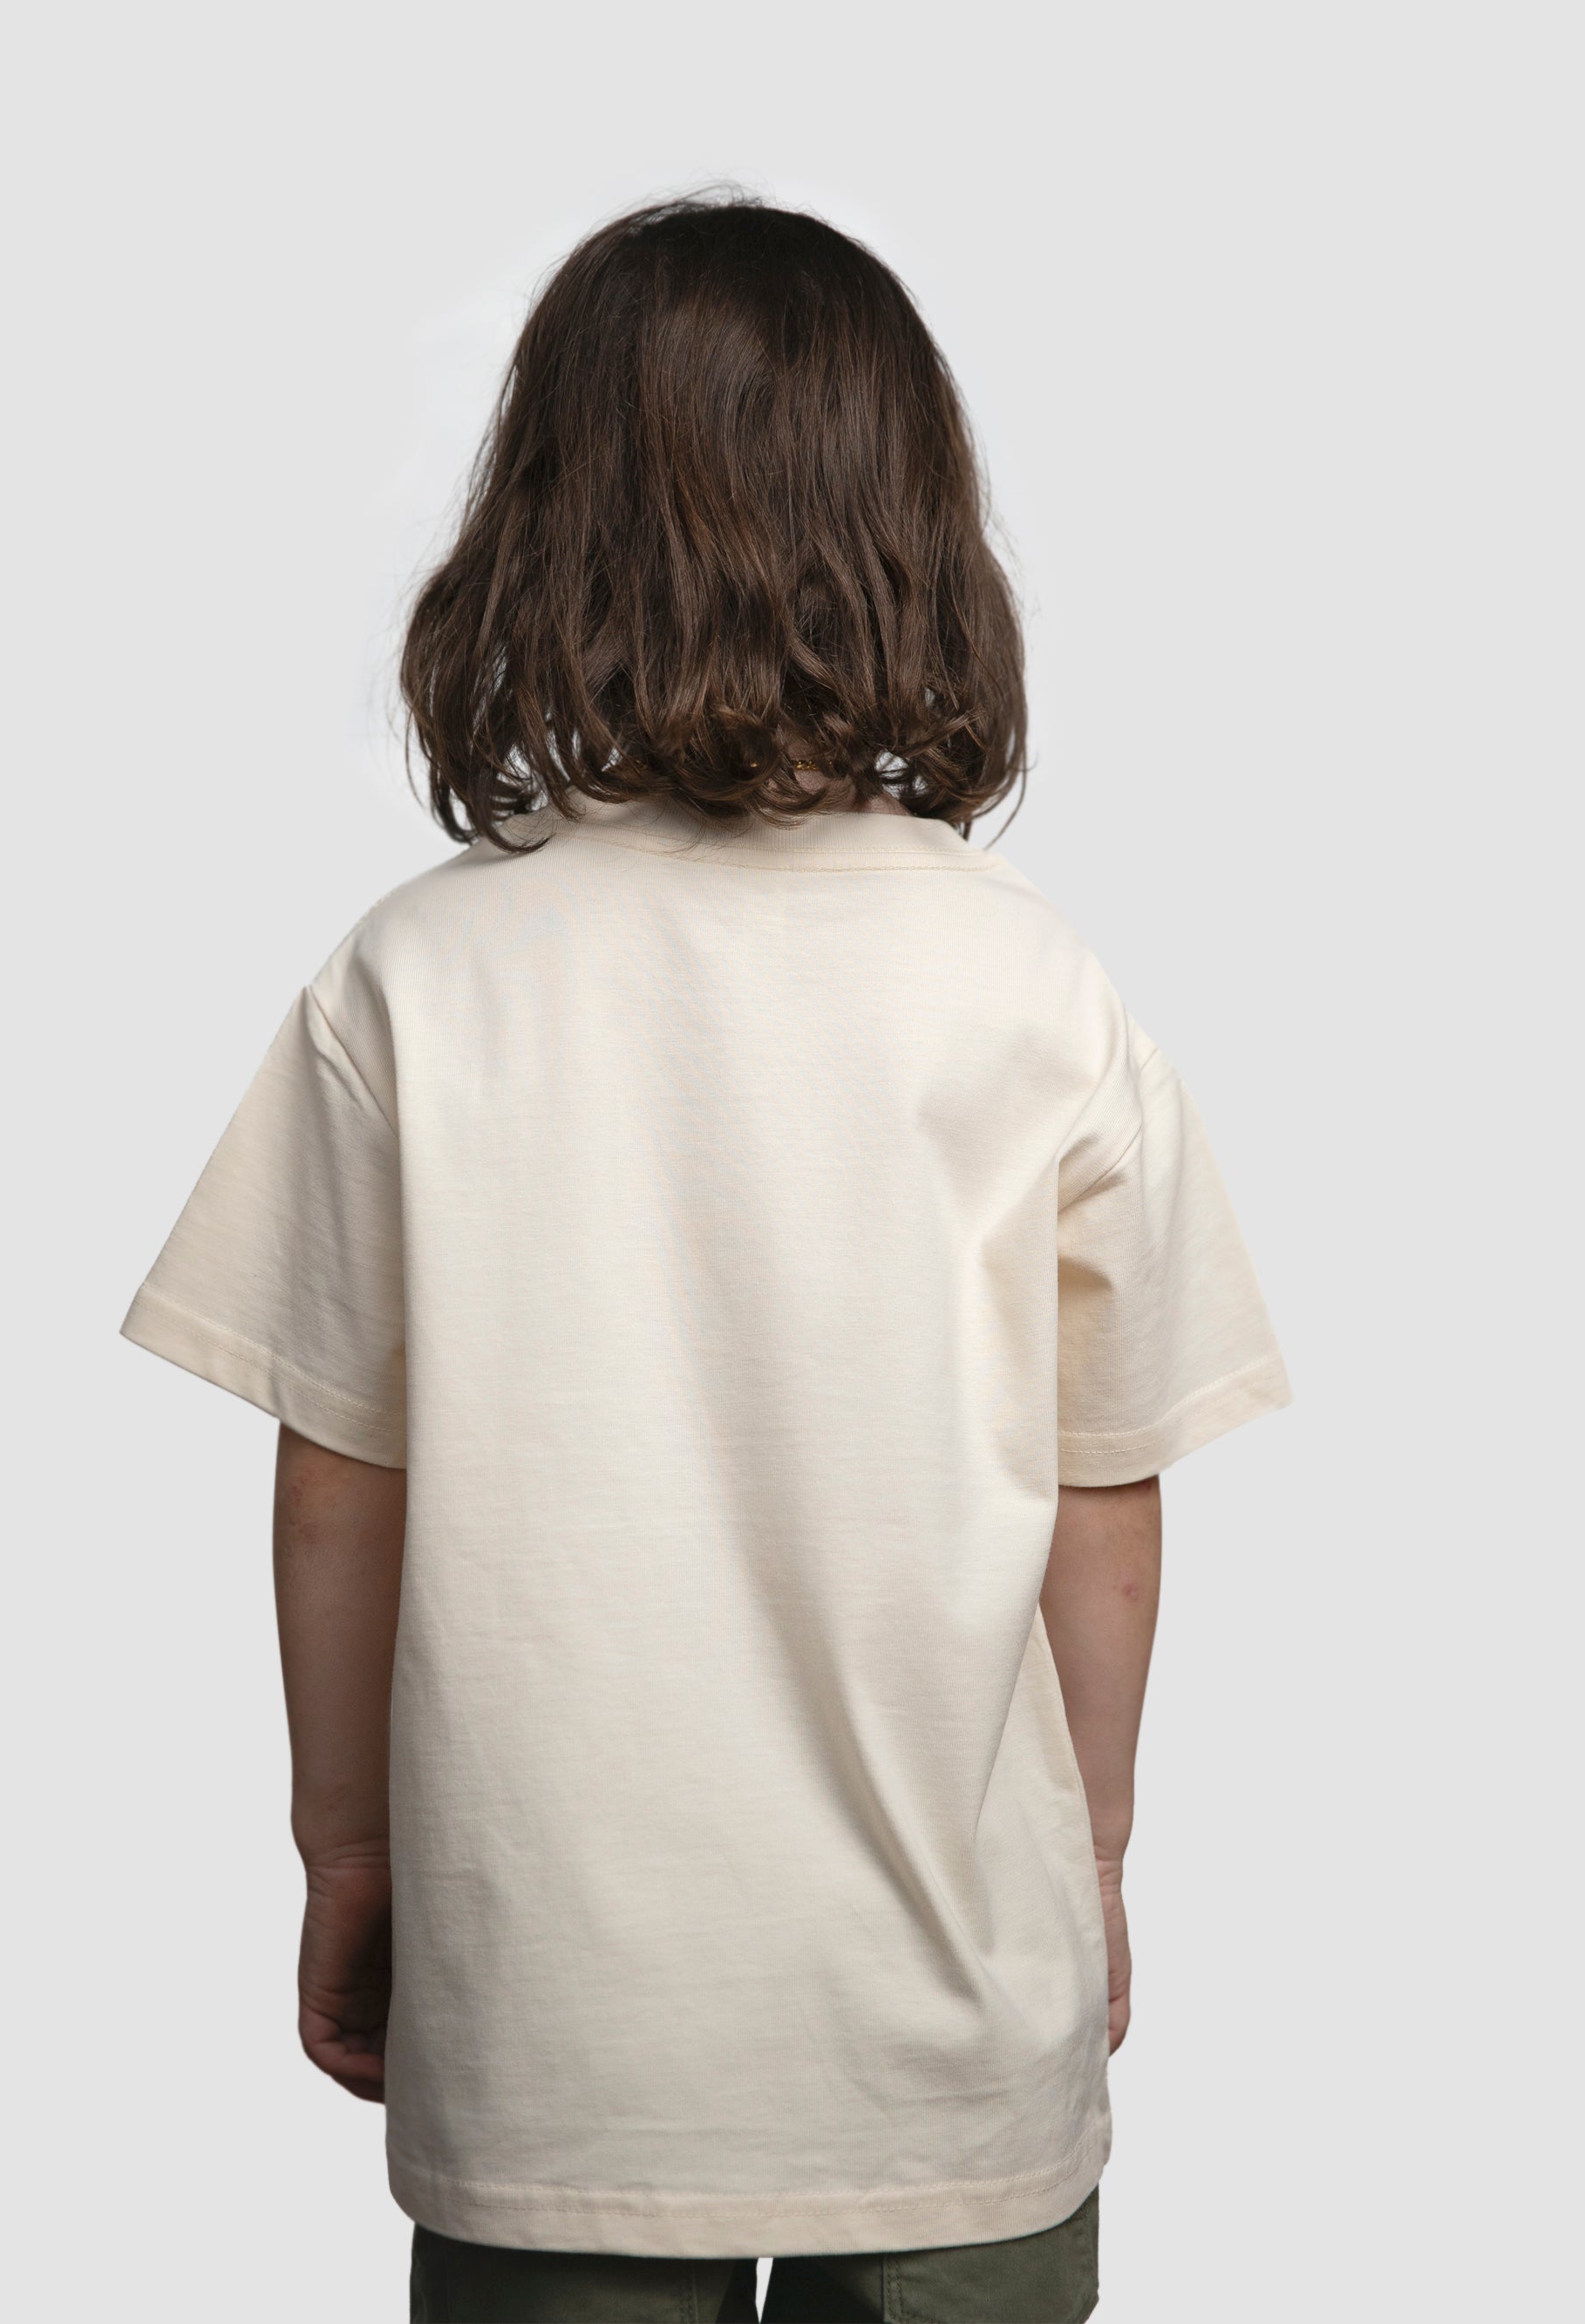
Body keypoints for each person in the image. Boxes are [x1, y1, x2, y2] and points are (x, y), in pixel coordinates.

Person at [122, 194, 1290, 2322]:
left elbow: (335, 1484)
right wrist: (1096, 1854)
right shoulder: (1029, 986)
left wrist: (347, 1849)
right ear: (917, 539)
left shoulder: (417, 980)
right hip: (948, 2025)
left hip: (556, 2037)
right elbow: (1103, 1495)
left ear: (539, 537)